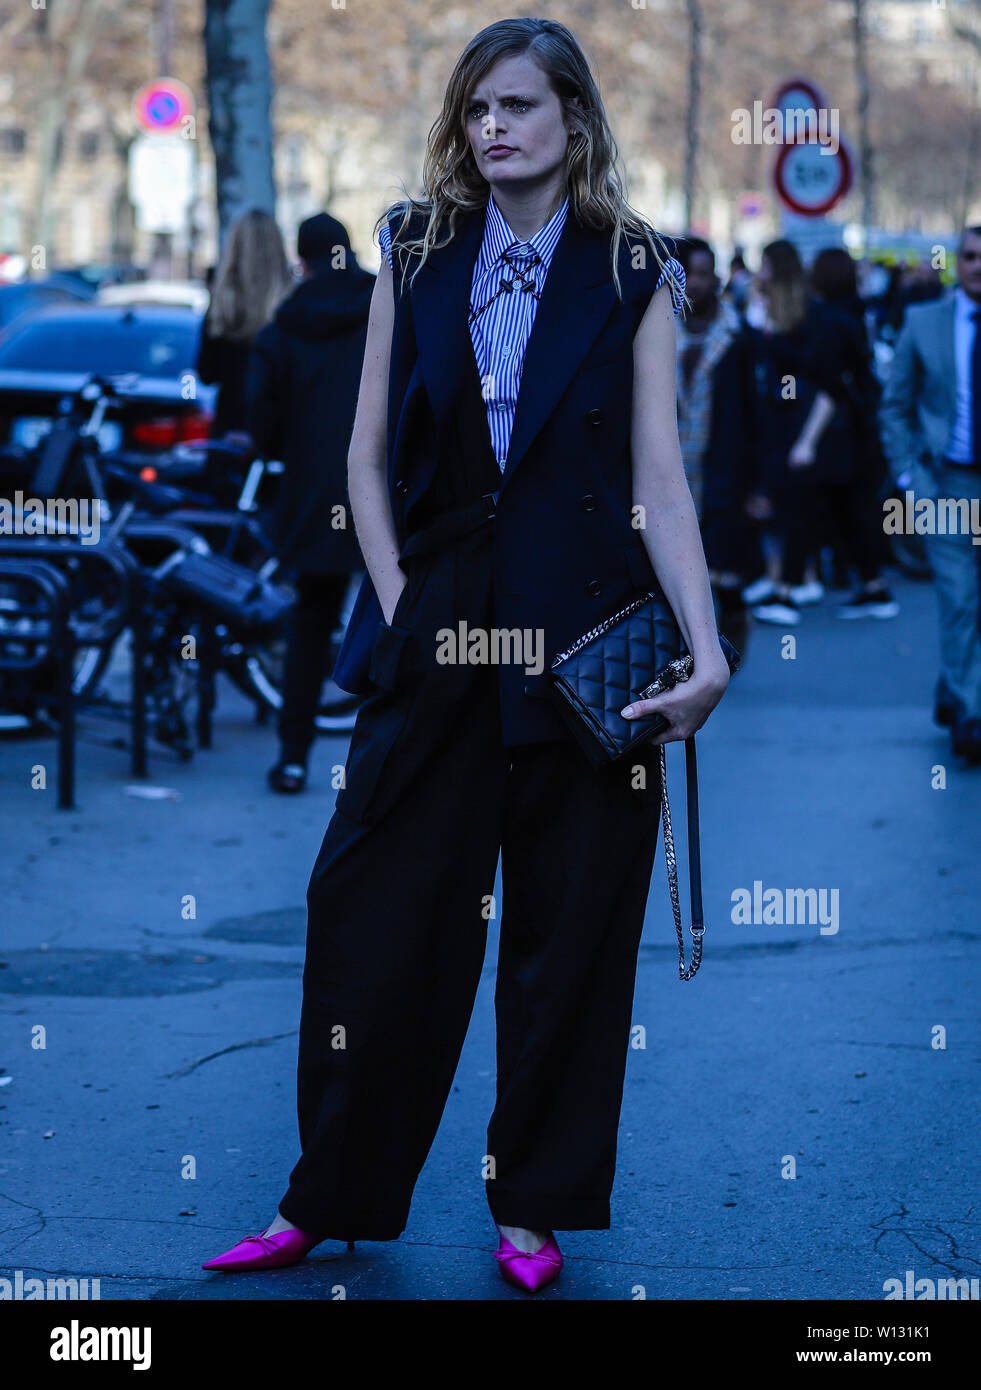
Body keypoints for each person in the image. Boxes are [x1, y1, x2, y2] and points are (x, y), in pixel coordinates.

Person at [202, 15, 730, 1294]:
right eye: (478, 108)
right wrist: (394, 598)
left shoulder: (632, 269)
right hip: (435, 635)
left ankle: (532, 1208)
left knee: (567, 940)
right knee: (371, 915)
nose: (494, 128)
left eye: (520, 108)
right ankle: (323, 1197)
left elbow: (660, 474)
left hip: (590, 645)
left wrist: (707, 653)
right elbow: (363, 453)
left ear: (573, 120)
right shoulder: (416, 247)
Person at [245, 213, 375, 793]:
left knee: (310, 621)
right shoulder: (387, 304)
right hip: (390, 493)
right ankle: (387, 765)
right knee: (397, 621)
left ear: (302, 261)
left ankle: (292, 755)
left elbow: (264, 427)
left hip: (315, 494)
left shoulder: (284, 326)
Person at [745, 240, 898, 624]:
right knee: (846, 512)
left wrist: (806, 442)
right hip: (850, 435)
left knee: (803, 509)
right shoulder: (852, 315)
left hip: (830, 435)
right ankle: (873, 588)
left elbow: (828, 386)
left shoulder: (826, 321)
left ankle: (787, 594)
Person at [879, 224, 981, 765]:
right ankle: (971, 715)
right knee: (960, 596)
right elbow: (894, 406)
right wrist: (911, 483)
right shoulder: (924, 322)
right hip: (945, 485)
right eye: (969, 257)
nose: (978, 266)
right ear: (956, 264)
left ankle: (956, 688)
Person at [674, 235, 758, 655]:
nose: (695, 283)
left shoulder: (738, 339)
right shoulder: (654, 332)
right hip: (668, 470)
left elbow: (752, 414)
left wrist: (757, 484)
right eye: (688, 273)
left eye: (704, 274)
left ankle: (727, 644)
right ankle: (684, 650)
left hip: (723, 469)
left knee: (724, 566)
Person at [196, 209, 294, 437]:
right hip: (278, 435)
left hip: (229, 430)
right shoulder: (292, 306)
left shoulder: (221, 305)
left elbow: (205, 373)